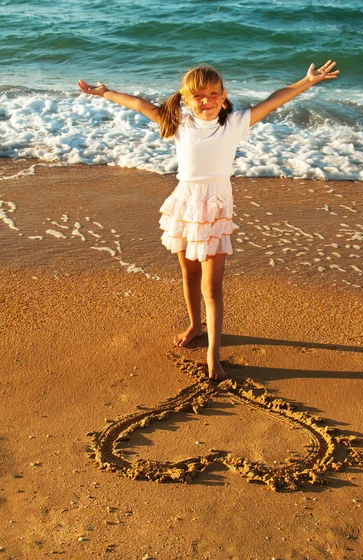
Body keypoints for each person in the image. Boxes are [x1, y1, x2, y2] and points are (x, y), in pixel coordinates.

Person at [78, 60, 339, 380]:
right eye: (199, 95)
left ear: (224, 95)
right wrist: (105, 93)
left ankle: (213, 355)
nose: (207, 100)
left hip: (215, 207)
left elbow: (274, 100)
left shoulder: (235, 123)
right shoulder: (179, 122)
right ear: (186, 99)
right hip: (185, 203)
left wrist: (305, 82)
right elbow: (137, 103)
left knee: (212, 286)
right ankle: (194, 326)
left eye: (214, 93)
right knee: (188, 275)